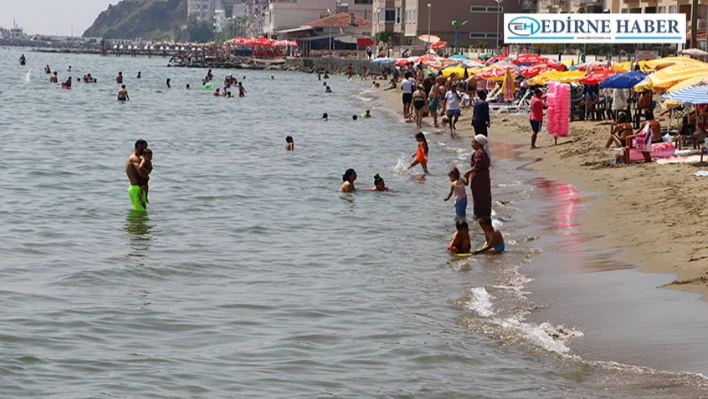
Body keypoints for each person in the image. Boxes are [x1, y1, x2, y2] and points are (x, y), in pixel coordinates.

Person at [464, 135, 492, 219]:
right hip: (485, 177)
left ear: (478, 143)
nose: (471, 144)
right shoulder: (484, 152)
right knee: (485, 195)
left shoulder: (478, 153)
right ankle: (486, 214)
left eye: (473, 142)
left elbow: (477, 166)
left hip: (479, 177)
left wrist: (467, 173)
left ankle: (478, 216)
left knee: (478, 196)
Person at [126, 139, 150, 211]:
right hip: (137, 188)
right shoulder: (134, 159)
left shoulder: (137, 158)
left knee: (139, 212)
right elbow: (140, 172)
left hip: (135, 188)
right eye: (145, 147)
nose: (146, 150)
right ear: (139, 146)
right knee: (141, 212)